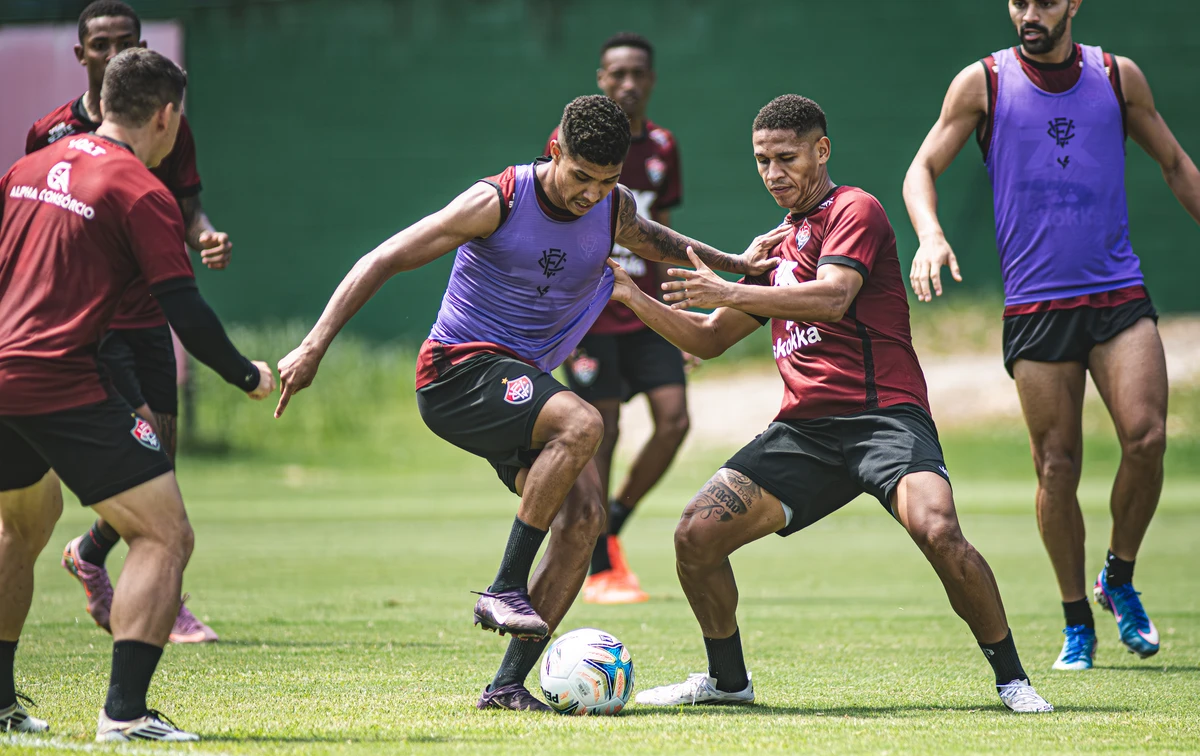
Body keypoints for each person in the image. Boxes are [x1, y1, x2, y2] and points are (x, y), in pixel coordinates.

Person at [275, 95, 784, 712]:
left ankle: (507, 685)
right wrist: (313, 347)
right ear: (555, 150)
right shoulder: (498, 200)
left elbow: (656, 241)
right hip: (456, 372)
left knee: (585, 520)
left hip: (516, 384)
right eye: (580, 176)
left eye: (606, 181)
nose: (589, 194)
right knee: (584, 421)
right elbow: (382, 259)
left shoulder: (612, 207)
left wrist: (737, 263)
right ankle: (504, 585)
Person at [620, 95, 1053, 713]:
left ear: (821, 150)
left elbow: (832, 297)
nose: (774, 173)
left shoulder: (857, 209)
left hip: (884, 418)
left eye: (787, 158)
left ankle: (1012, 678)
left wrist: (729, 287)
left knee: (938, 529)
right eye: (762, 161)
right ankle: (728, 682)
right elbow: (710, 339)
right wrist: (630, 294)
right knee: (695, 536)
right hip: (805, 433)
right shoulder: (776, 244)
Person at [902, 0, 1200, 669]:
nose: (1027, 13)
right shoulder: (983, 81)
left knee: (1148, 438)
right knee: (1057, 466)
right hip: (1037, 305)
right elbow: (920, 169)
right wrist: (930, 234)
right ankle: (1076, 623)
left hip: (1118, 293)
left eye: (1042, 1)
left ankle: (1118, 577)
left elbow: (1177, 166)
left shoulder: (1118, 77)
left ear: (1072, 4)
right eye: (1017, 2)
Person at [0, 48, 273, 740]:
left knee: (21, 527)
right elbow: (185, 311)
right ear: (167, 115)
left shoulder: (27, 170)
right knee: (163, 533)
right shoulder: (139, 189)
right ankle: (124, 714)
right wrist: (248, 374)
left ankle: (1, 705)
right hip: (60, 379)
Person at [25, 0, 234, 645]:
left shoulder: (171, 123)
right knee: (137, 450)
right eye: (102, 43)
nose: (113, 52)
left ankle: (94, 554)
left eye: (126, 41)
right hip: (92, 324)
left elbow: (186, 206)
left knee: (159, 455)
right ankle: (158, 597)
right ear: (82, 54)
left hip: (151, 312)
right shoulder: (50, 134)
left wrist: (203, 236)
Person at [544, 33, 687, 605]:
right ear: (601, 79)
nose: (628, 84)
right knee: (600, 431)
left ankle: (613, 523)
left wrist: (680, 314)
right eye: (617, 74)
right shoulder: (573, 142)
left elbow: (663, 232)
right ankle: (599, 560)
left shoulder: (662, 146)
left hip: (643, 308)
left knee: (674, 420)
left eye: (638, 74)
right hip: (591, 315)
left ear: (651, 80)